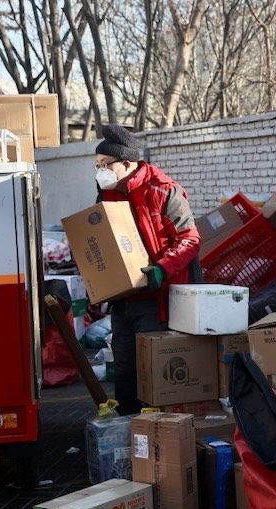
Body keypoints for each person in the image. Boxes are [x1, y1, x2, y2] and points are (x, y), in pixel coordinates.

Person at [94, 124, 201, 415]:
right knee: (125, 369)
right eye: (97, 166)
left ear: (126, 163)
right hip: (122, 299)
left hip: (157, 299)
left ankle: (160, 432)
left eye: (105, 165)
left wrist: (161, 269)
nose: (99, 172)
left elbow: (190, 240)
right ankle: (129, 427)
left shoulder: (162, 190)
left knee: (154, 372)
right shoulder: (107, 194)